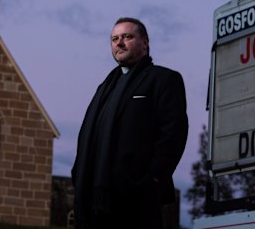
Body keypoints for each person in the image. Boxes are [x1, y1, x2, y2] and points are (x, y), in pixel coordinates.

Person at [72, 17, 189, 229]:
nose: (119, 43)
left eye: (127, 37)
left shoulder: (163, 79)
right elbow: (86, 138)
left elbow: (174, 134)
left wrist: (151, 180)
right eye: (114, 39)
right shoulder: (103, 89)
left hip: (136, 202)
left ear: (145, 43)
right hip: (93, 204)